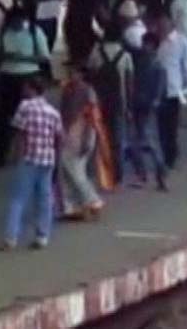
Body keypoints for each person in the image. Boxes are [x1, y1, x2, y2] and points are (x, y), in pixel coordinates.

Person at [0, 77, 62, 250]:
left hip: (28, 158)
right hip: (47, 158)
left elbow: (20, 132)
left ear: (31, 89)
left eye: (26, 88)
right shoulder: (53, 112)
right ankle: (42, 236)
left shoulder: (25, 107)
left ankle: (11, 237)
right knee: (44, 198)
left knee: (18, 198)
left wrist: (16, 155)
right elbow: (58, 137)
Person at [0, 6, 50, 167]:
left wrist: (23, 58)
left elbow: (44, 57)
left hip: (28, 76)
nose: (15, 26)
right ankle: (0, 154)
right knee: (3, 117)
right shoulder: (3, 32)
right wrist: (6, 57)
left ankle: (32, 153)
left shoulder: (34, 32)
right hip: (7, 76)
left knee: (31, 116)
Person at [87, 24, 134, 182]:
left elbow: (90, 74)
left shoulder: (96, 52)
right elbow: (129, 82)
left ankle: (99, 171)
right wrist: (129, 106)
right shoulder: (125, 55)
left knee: (98, 136)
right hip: (119, 101)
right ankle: (118, 172)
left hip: (99, 100)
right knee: (118, 138)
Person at [58, 65, 105, 220]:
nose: (71, 75)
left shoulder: (87, 92)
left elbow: (92, 118)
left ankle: (92, 200)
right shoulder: (68, 90)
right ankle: (70, 206)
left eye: (74, 72)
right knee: (67, 171)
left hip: (81, 133)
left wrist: (87, 139)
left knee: (74, 170)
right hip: (70, 133)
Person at [157, 14, 187, 169]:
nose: (162, 27)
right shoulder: (155, 40)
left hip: (174, 89)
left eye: (165, 23)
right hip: (158, 89)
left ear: (171, 24)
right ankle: (165, 154)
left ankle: (171, 157)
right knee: (160, 125)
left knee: (171, 126)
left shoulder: (181, 41)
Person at [130, 32, 168, 190]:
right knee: (143, 140)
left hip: (146, 105)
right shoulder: (146, 62)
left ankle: (150, 172)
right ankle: (154, 172)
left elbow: (159, 87)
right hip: (140, 103)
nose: (144, 47)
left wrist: (155, 101)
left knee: (143, 140)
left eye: (147, 44)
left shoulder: (155, 65)